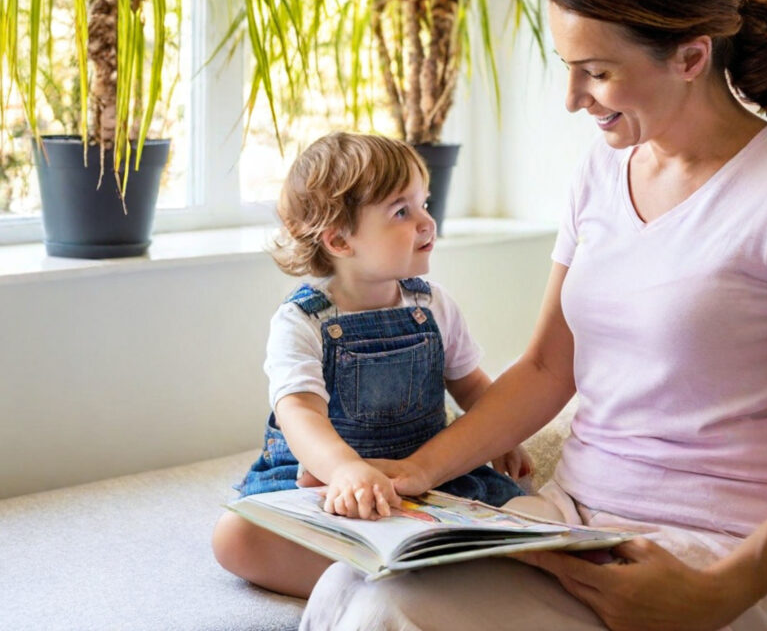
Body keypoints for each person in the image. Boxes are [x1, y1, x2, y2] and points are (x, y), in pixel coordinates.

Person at [299, 0, 767, 631]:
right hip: (575, 523)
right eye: (568, 68)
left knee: (388, 614)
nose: (574, 99)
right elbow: (550, 367)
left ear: (692, 57)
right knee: (349, 586)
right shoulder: (603, 171)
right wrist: (414, 472)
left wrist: (720, 594)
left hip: (722, 557)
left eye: (598, 72)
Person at [211, 131, 532, 598]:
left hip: (426, 474)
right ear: (340, 240)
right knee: (235, 538)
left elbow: (472, 385)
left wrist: (504, 436)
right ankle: (382, 579)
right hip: (326, 480)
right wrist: (344, 470)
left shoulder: (434, 306)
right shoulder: (302, 320)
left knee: (531, 513)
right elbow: (298, 413)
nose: (427, 222)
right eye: (402, 212)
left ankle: (414, 563)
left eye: (426, 203)